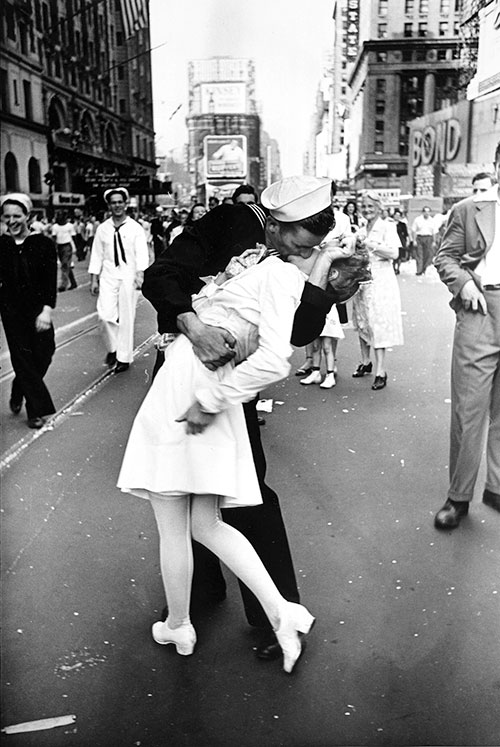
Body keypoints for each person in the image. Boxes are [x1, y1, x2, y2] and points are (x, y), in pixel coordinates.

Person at [118, 203, 367, 672]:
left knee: (198, 512)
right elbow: (163, 275)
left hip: (209, 384)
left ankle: (209, 617)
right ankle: (246, 609)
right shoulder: (234, 226)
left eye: (312, 247)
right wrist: (193, 324)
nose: (302, 251)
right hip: (205, 372)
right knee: (202, 520)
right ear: (273, 223)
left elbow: (293, 339)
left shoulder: (295, 267)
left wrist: (321, 289)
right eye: (297, 242)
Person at [433, 141, 500, 530]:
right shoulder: (470, 209)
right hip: (480, 310)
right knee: (469, 411)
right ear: (496, 165)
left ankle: (496, 487)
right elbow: (445, 257)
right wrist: (464, 284)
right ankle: (458, 498)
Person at [0, 193, 58, 429]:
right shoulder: (1, 245)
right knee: (22, 357)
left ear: (28, 216)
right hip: (11, 311)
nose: (12, 221)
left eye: (17, 216)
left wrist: (46, 310)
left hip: (37, 309)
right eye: (7, 216)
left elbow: (49, 280)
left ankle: (19, 386)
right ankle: (35, 411)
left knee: (44, 353)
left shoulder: (43, 244)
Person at [88, 188, 149, 373]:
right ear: (109, 205)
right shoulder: (103, 229)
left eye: (120, 202)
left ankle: (123, 357)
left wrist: (140, 274)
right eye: (113, 202)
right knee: (104, 316)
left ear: (125, 203)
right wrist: (94, 279)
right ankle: (113, 349)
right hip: (108, 276)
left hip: (128, 276)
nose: (117, 205)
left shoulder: (135, 228)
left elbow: (141, 253)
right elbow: (97, 254)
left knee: (126, 317)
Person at [351, 191, 404, 390]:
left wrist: (370, 245)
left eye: (370, 207)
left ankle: (381, 370)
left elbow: (394, 253)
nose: (367, 210)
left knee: (378, 323)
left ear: (379, 208)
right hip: (362, 279)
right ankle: (366, 361)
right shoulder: (362, 228)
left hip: (381, 280)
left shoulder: (387, 227)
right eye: (364, 207)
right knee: (362, 321)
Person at [299, 198, 354, 387]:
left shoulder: (342, 219)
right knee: (313, 338)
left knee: (328, 340)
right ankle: (315, 369)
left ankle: (330, 371)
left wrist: (337, 246)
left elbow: (348, 245)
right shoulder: (306, 220)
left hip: (329, 285)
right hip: (310, 281)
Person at [51, 211, 78, 291]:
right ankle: (73, 283)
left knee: (65, 265)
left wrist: (75, 248)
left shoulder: (70, 226)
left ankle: (63, 285)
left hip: (67, 246)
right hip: (59, 246)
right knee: (66, 266)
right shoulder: (55, 226)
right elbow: (54, 238)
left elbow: (74, 237)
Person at [411, 206, 436, 276]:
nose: (427, 213)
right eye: (425, 211)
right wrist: (414, 240)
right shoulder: (418, 220)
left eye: (428, 212)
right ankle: (419, 270)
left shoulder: (432, 220)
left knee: (428, 255)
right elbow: (414, 230)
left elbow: (434, 232)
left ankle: (424, 268)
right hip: (420, 238)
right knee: (419, 254)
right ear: (423, 212)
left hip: (428, 238)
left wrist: (434, 241)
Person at [392, 208, 410, 273]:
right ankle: (393, 267)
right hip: (392, 240)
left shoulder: (402, 224)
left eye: (398, 215)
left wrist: (407, 241)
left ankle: (398, 268)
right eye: (396, 215)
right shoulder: (390, 223)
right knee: (393, 255)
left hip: (400, 240)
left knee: (399, 255)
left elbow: (406, 233)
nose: (397, 217)